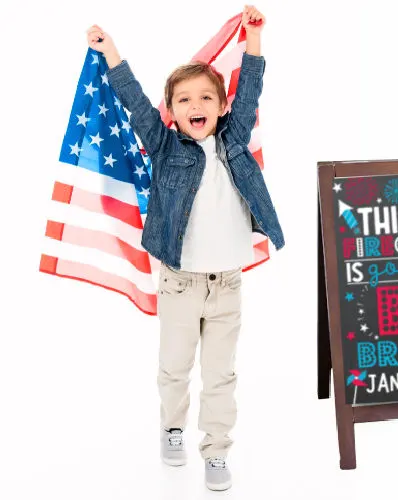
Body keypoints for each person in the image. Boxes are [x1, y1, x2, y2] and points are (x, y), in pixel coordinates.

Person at [86, 5, 284, 491]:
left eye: (205, 98)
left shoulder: (234, 140)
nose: (195, 106)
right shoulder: (165, 146)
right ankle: (171, 427)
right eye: (183, 100)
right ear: (171, 112)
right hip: (180, 283)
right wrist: (112, 53)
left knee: (221, 376)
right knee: (174, 367)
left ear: (221, 105)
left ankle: (216, 450)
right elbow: (134, 102)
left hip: (227, 286)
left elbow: (252, 88)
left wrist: (254, 39)